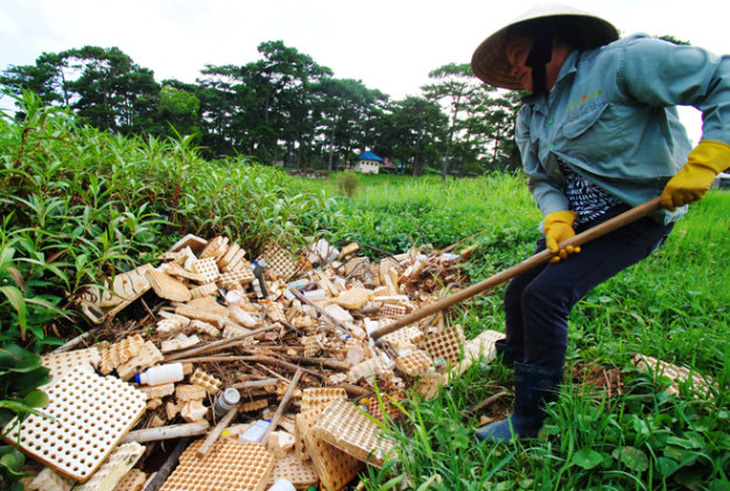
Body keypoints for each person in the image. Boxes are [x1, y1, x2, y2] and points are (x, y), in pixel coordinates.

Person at [469, 3, 730, 443]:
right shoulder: (530, 114)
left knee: (545, 297)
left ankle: (531, 420)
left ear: (550, 40)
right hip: (581, 221)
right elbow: (540, 178)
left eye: (517, 52)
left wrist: (711, 157)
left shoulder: (621, 64)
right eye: (509, 60)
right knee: (519, 290)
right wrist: (556, 216)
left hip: (635, 216)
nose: (513, 66)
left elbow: (721, 77)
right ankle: (517, 364)